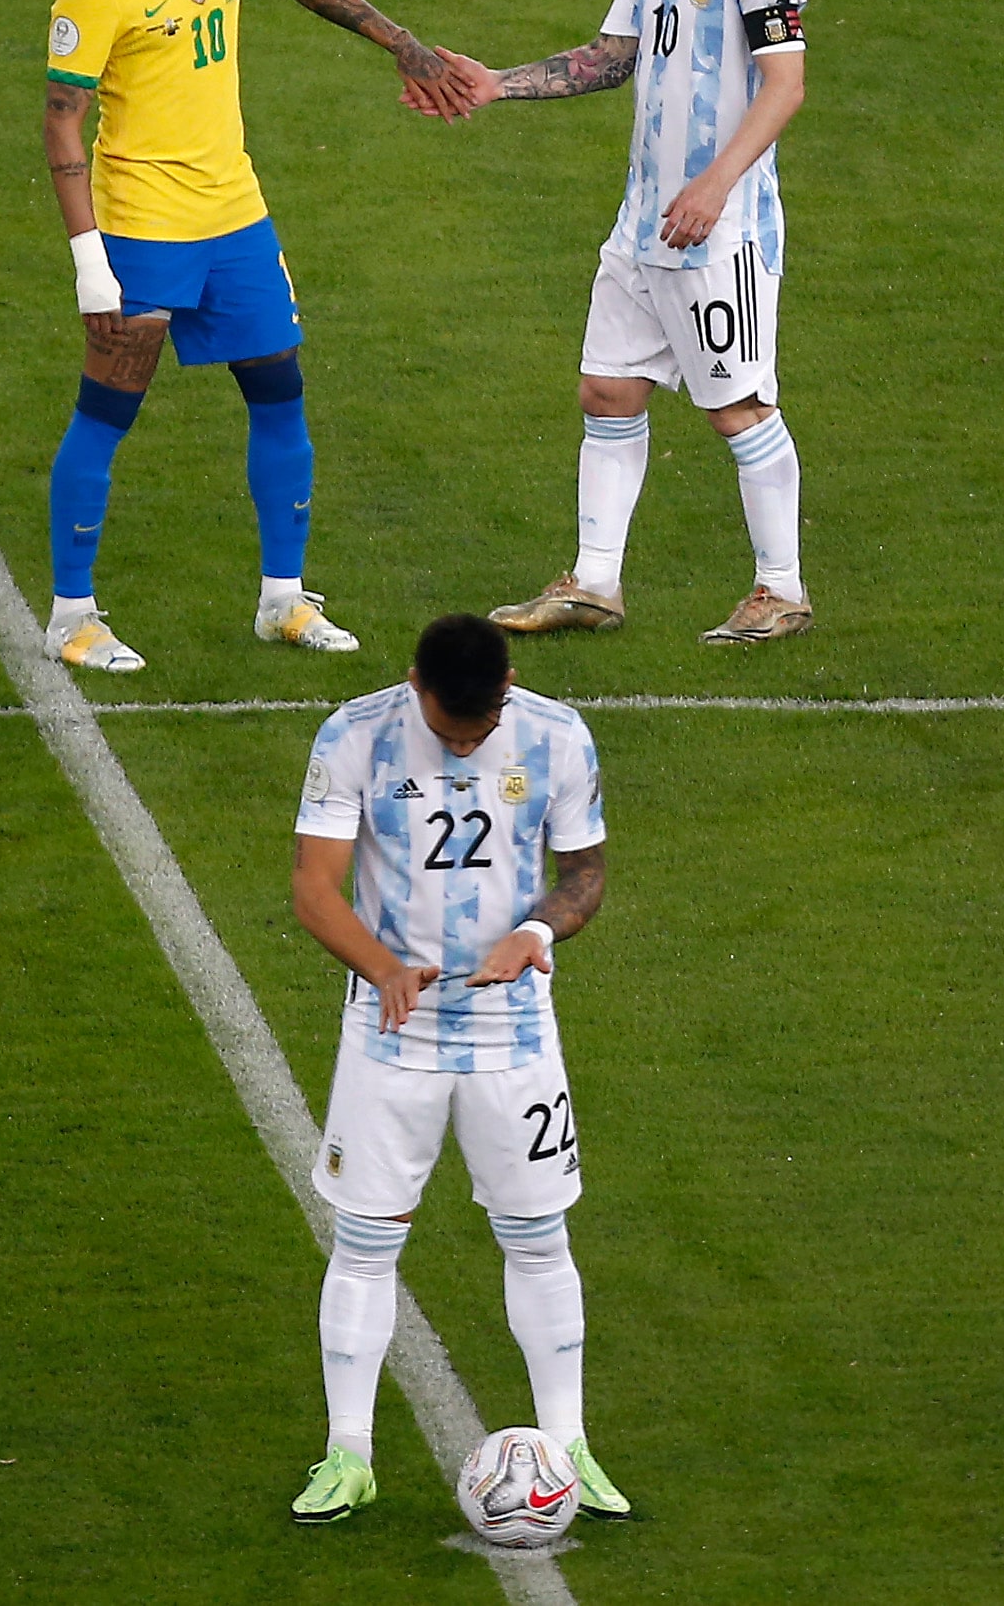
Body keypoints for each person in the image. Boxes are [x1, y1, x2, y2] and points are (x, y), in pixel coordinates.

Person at [40, 0, 478, 672]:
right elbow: (61, 121)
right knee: (109, 411)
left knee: (280, 391)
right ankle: (71, 618)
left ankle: (283, 600)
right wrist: (92, 264)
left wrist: (401, 42)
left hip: (235, 214)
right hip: (146, 227)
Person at [434, 0, 814, 645]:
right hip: (642, 226)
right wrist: (500, 84)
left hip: (721, 235)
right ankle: (595, 583)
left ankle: (780, 590)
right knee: (607, 390)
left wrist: (715, 186)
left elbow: (785, 85)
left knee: (738, 407)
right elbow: (612, 59)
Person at [285, 614, 631, 1526]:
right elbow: (314, 887)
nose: (466, 743)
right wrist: (384, 967)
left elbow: (586, 871)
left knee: (538, 1236)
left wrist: (537, 930)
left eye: (479, 730)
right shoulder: (354, 735)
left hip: (512, 1036)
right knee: (365, 1241)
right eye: (449, 731)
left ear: (509, 683)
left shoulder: (556, 735)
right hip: (392, 1037)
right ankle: (346, 1455)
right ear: (415, 686)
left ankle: (573, 1445)